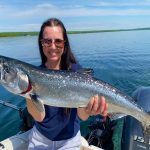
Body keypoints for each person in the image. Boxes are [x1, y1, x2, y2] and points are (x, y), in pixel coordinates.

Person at [26, 18, 108, 150]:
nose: (53, 46)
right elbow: (40, 117)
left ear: (65, 43)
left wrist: (90, 109)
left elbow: (82, 116)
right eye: (47, 41)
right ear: (41, 43)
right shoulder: (35, 74)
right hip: (40, 139)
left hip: (69, 141)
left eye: (58, 41)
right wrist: (28, 91)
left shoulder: (77, 71)